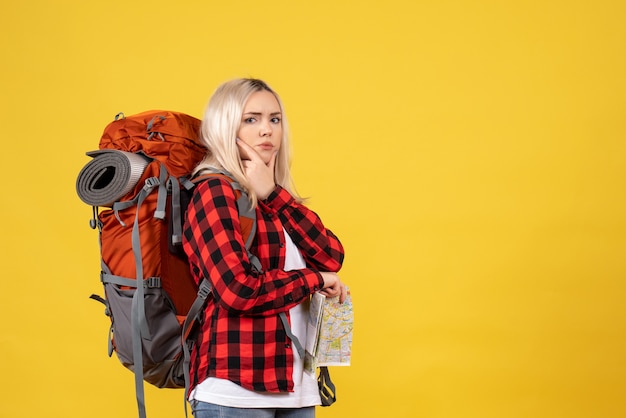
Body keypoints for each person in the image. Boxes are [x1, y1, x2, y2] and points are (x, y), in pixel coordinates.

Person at [182, 78, 347, 418]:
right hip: (235, 391)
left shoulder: (275, 199)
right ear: (226, 126)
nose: (266, 131)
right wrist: (313, 280)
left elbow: (331, 256)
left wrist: (272, 192)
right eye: (251, 119)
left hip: (296, 392)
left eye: (274, 119)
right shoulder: (214, 192)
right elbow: (238, 289)